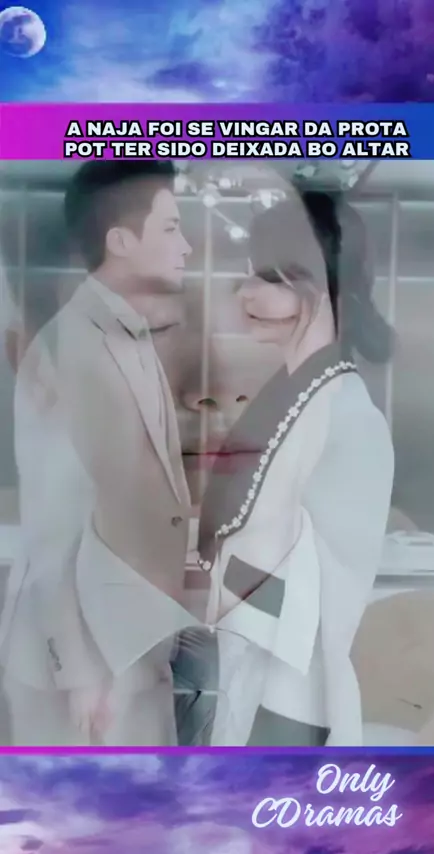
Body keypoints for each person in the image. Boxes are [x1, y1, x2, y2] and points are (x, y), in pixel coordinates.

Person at [0, 161, 200, 745]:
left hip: (123, 645)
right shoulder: (77, 347)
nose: (186, 246)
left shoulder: (124, 338)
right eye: (171, 228)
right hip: (86, 663)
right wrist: (82, 670)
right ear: (121, 242)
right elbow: (56, 523)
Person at [196, 189, 395, 746]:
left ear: (322, 284)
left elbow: (325, 605)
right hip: (246, 673)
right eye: (249, 273)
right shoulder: (292, 393)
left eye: (270, 277)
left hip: (291, 703)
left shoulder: (346, 415)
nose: (246, 292)